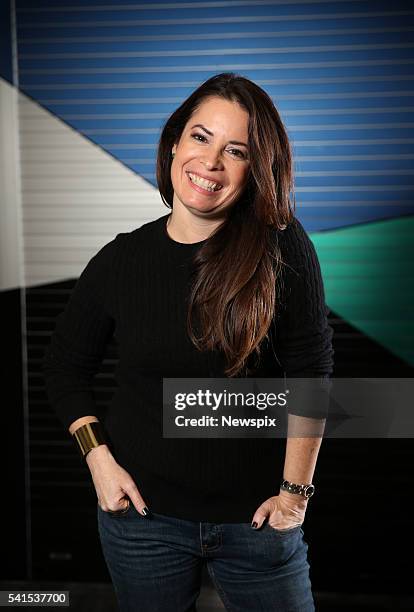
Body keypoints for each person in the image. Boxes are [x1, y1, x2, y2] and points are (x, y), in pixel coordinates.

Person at [42, 72, 334, 612]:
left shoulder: (282, 248)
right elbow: (64, 370)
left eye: (236, 150)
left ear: (256, 168)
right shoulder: (121, 260)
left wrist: (295, 498)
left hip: (257, 525)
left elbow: (311, 376)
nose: (211, 163)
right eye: (201, 137)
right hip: (144, 524)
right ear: (175, 141)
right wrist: (99, 462)